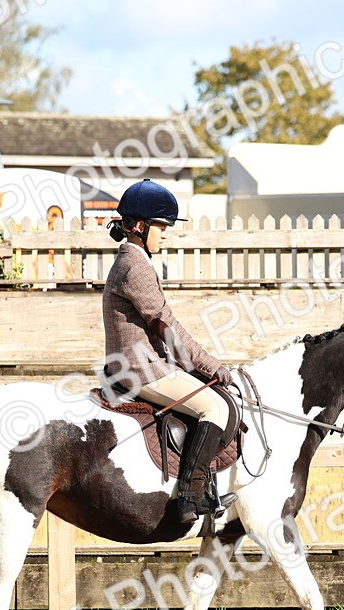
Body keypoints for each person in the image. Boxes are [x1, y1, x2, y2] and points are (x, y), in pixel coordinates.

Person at [102, 179, 235, 524]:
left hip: (144, 363)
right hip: (139, 370)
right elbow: (165, 325)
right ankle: (189, 498)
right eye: (161, 227)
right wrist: (208, 365)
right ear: (140, 226)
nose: (166, 234)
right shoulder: (134, 267)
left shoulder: (135, 263)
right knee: (214, 407)